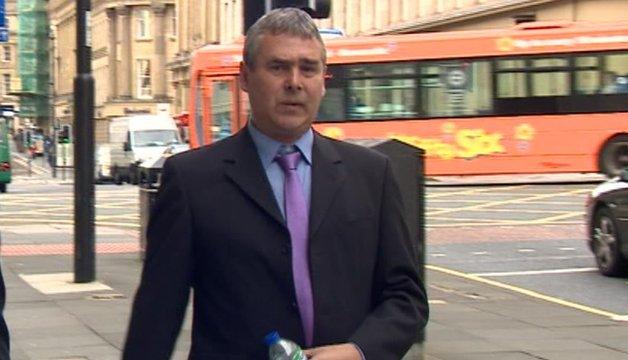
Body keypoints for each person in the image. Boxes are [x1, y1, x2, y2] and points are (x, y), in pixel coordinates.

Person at [123, 7, 428, 360]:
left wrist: (359, 351)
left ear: (322, 81)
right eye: (278, 67)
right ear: (245, 78)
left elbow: (406, 298)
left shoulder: (372, 174)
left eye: (308, 68)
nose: (294, 82)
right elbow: (156, 315)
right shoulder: (192, 180)